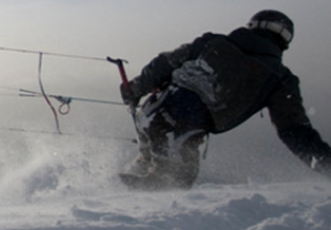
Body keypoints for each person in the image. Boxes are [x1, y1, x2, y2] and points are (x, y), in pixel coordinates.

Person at [119, 10, 331, 189]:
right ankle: (119, 215)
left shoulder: (212, 42)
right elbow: (295, 131)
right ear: (284, 41)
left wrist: (134, 90)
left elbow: (164, 63)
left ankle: (109, 191)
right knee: (169, 185)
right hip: (181, 131)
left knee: (145, 172)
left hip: (152, 111)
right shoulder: (280, 79)